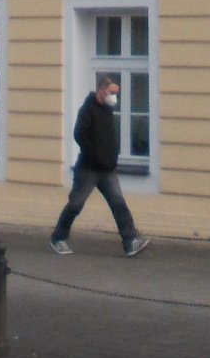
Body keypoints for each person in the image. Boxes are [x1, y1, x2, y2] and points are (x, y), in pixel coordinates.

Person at [50, 73, 149, 256]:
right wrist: (95, 155)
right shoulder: (87, 109)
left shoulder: (107, 110)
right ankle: (58, 237)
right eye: (112, 92)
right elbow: (79, 135)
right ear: (101, 90)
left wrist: (112, 157)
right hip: (88, 168)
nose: (114, 97)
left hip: (107, 168)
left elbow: (109, 137)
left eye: (115, 93)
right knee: (76, 204)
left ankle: (130, 241)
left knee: (118, 203)